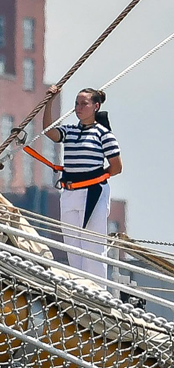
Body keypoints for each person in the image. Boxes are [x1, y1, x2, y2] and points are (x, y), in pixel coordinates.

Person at [43, 86, 122, 281]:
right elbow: (49, 132)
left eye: (83, 104)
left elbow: (116, 166)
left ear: (95, 106)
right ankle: (79, 288)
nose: (79, 108)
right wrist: (49, 102)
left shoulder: (103, 134)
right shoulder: (69, 131)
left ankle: (97, 292)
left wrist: (94, 176)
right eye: (77, 104)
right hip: (69, 193)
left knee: (93, 246)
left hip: (92, 193)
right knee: (72, 246)